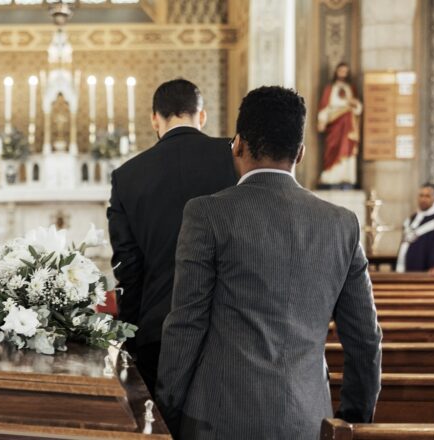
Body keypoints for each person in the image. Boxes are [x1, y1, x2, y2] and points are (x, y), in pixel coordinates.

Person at [157, 86, 382, 439]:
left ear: (238, 144)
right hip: (307, 421)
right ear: (301, 153)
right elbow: (365, 341)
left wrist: (167, 410)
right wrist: (351, 422)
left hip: (218, 419)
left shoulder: (207, 214)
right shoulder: (342, 224)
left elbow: (186, 324)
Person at [106, 78, 237, 396]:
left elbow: (128, 267)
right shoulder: (234, 157)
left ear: (155, 119)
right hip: (228, 326)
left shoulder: (128, 176)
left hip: (158, 328)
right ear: (201, 115)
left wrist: (131, 334)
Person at [317, 62, 362, 188]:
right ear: (336, 72)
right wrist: (321, 120)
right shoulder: (330, 88)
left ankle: (346, 177)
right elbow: (324, 106)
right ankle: (330, 176)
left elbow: (358, 108)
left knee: (347, 150)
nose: (343, 74)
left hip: (348, 125)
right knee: (333, 148)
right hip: (334, 124)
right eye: (340, 71)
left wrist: (355, 104)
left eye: (345, 71)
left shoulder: (351, 88)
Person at [396, 183, 434, 274]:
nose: (423, 199)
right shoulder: (410, 220)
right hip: (407, 271)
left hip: (427, 273)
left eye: (427, 196)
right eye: (421, 196)